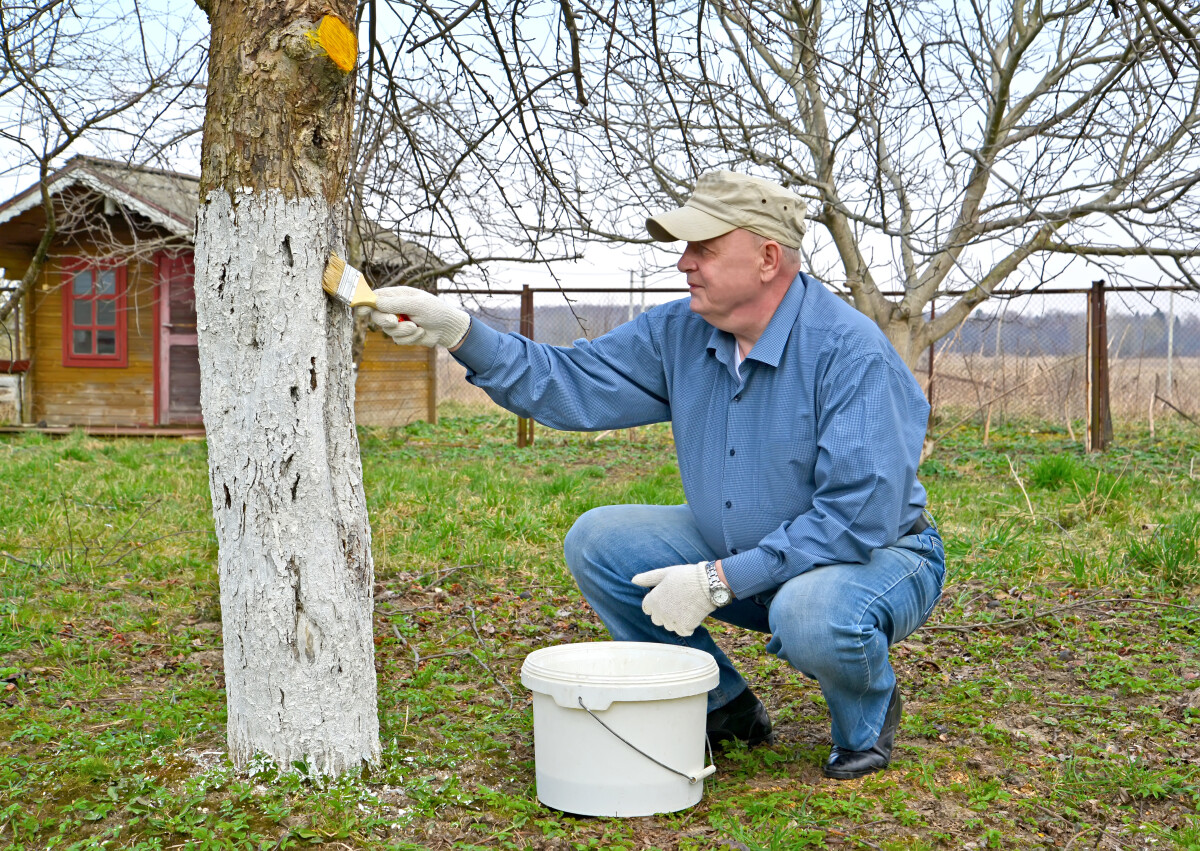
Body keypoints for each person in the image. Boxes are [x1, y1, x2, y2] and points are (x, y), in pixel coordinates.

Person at [344, 170, 945, 779]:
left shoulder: (850, 354)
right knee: (601, 542)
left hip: (874, 557)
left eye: (704, 249)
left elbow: (854, 518)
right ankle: (724, 709)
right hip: (745, 551)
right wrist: (460, 333)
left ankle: (864, 718)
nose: (685, 264)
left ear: (768, 258)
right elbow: (568, 380)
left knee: (812, 614)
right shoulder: (679, 331)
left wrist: (718, 580)